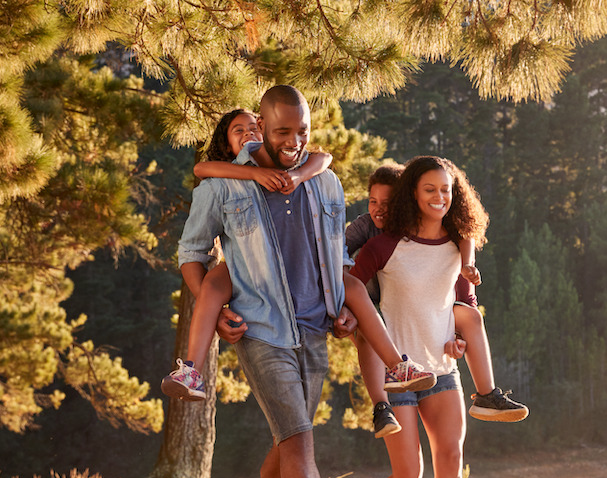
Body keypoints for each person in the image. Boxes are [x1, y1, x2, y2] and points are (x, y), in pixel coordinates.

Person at [177, 86, 416, 478]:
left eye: (302, 130)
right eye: (283, 131)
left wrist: (341, 309)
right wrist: (215, 307)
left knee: (288, 443)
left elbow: (336, 255)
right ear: (263, 128)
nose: (294, 140)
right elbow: (191, 252)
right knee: (300, 441)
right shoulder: (223, 187)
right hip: (262, 329)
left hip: (314, 329)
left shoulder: (324, 182)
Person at [163, 110, 436, 411]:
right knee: (213, 284)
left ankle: (397, 365)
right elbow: (202, 168)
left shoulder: (296, 168)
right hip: (248, 269)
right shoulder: (223, 178)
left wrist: (296, 175)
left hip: (308, 282)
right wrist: (255, 173)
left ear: (265, 132)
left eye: (254, 128)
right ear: (227, 144)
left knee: (355, 288)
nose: (248, 135)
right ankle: (191, 370)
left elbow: (324, 158)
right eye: (238, 130)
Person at [349, 156, 491, 478]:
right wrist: (347, 322)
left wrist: (460, 340)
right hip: (399, 375)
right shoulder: (384, 246)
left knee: (451, 459)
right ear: (413, 192)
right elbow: (351, 290)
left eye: (446, 190)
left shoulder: (456, 247)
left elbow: (462, 304)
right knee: (409, 473)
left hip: (443, 371)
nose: (439, 197)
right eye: (430, 189)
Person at [346, 165, 527, 429]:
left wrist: (458, 335)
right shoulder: (370, 232)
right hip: (377, 311)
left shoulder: (452, 239)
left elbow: (465, 285)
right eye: (374, 202)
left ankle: (487, 394)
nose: (380, 209)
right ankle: (380, 406)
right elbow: (339, 257)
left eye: (388, 202)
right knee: (368, 329)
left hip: (435, 358)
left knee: (470, 315)